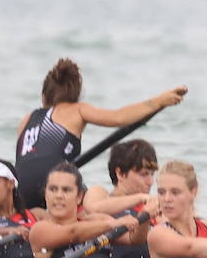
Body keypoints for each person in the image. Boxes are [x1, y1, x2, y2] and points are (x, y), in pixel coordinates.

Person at [14, 57, 187, 208]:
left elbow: (24, 162)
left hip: (19, 190)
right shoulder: (77, 109)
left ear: (44, 96)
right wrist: (159, 101)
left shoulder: (27, 119)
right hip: (52, 183)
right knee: (93, 204)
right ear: (76, 96)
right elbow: (119, 118)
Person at [28, 162, 152, 258]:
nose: (59, 195)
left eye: (66, 190)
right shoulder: (40, 229)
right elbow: (73, 233)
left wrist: (145, 216)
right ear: (45, 194)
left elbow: (134, 239)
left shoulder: (96, 220)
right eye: (53, 189)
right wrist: (113, 224)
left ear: (79, 196)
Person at [84, 139, 159, 258]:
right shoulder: (101, 193)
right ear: (120, 173)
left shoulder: (154, 207)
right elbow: (93, 208)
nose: (150, 181)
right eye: (144, 174)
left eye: (152, 174)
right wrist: (139, 198)